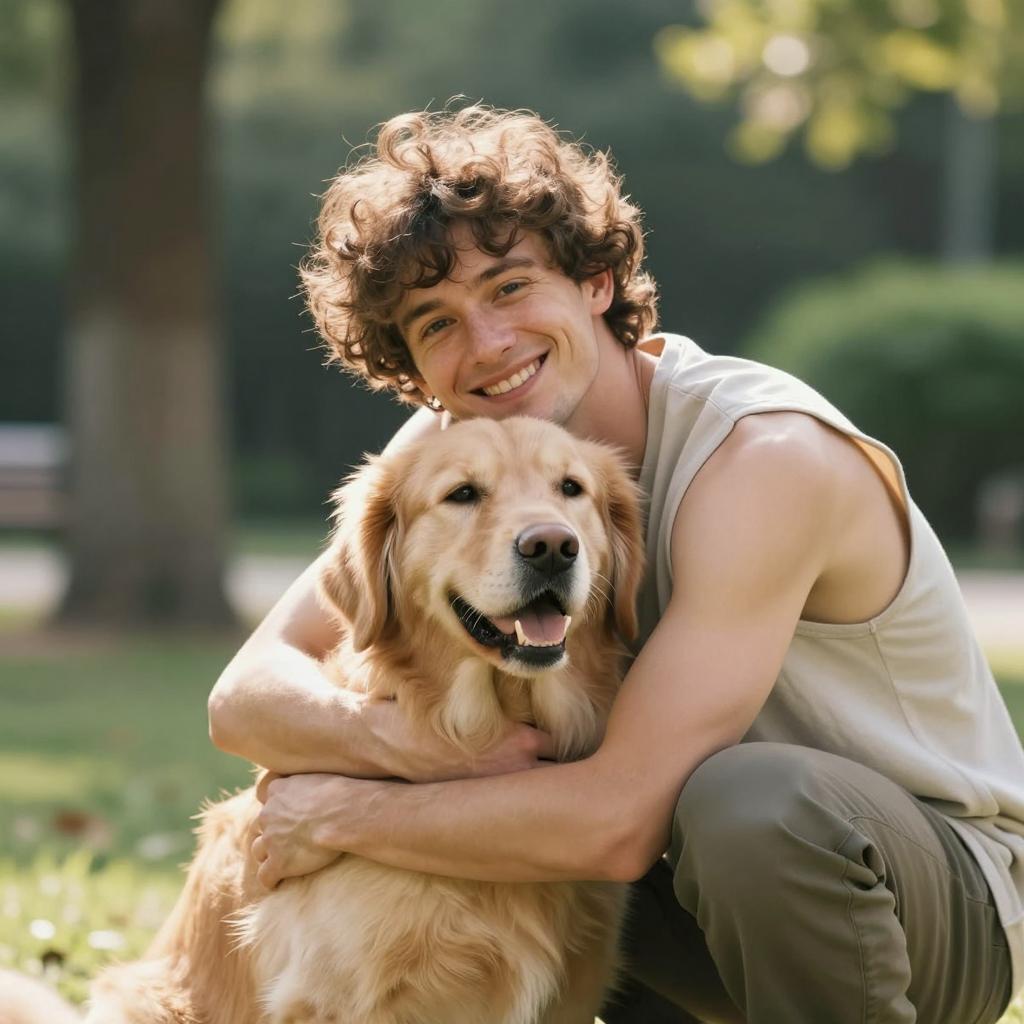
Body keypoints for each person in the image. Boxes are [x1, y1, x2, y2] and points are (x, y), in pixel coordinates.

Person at [207, 105, 1021, 1023]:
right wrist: (404, 750)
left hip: (919, 902)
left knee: (747, 803)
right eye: (436, 324)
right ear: (416, 368)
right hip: (684, 881)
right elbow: (244, 698)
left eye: (510, 288)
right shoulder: (464, 441)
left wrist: (341, 814)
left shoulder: (764, 460)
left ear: (597, 280)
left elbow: (615, 820)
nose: (486, 344)